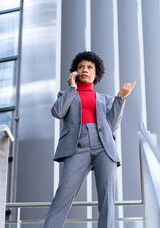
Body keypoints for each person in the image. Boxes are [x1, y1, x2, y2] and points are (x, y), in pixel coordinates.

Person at [43, 51, 136, 228]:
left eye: (89, 67)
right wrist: (71, 88)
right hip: (76, 146)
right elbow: (57, 112)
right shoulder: (66, 94)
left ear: (96, 73)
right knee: (63, 194)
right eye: (81, 67)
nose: (85, 70)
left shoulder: (105, 99)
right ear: (75, 72)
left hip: (104, 146)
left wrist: (120, 98)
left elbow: (111, 126)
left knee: (107, 198)